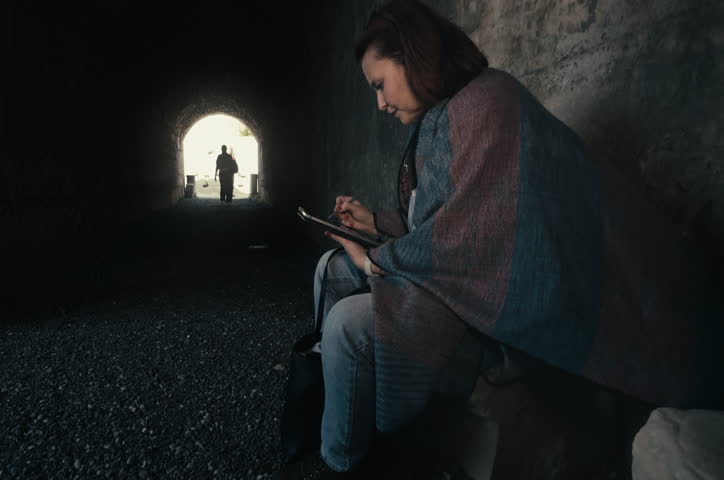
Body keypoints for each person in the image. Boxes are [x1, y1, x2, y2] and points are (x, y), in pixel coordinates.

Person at [310, 0, 723, 475]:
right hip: (456, 278)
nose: (379, 104)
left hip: (499, 307)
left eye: (379, 85)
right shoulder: (434, 126)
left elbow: (472, 237)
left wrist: (375, 262)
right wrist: (375, 224)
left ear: (413, 56)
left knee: (346, 324)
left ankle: (342, 463)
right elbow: (441, 222)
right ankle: (340, 418)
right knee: (331, 270)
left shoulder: (489, 102)